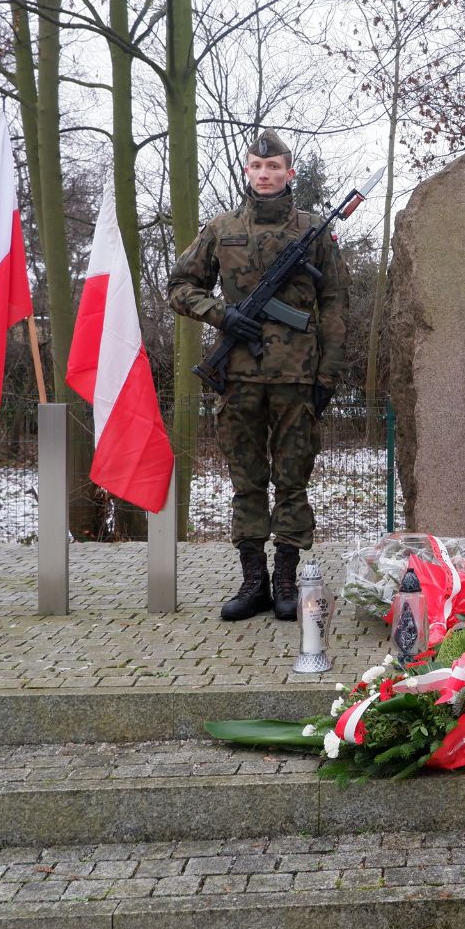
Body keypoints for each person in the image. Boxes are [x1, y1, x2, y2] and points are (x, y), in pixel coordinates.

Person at [169, 130, 348, 621]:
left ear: (289, 173)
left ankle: (287, 579)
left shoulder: (313, 231)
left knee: (293, 483)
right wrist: (220, 315)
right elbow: (180, 285)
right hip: (239, 377)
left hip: (297, 380)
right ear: (247, 172)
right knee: (247, 483)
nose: (265, 175)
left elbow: (335, 304)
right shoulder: (221, 228)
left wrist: (327, 376)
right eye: (256, 167)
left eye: (274, 168)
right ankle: (254, 581)